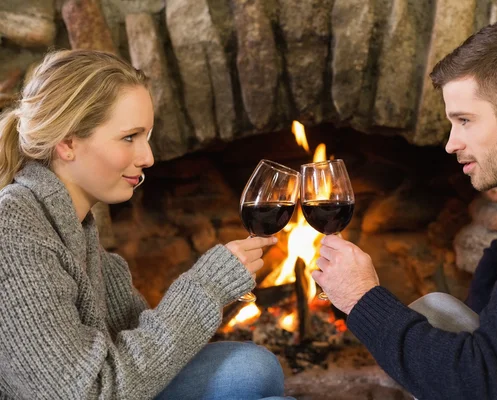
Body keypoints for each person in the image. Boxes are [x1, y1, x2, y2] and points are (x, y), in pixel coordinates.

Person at [312, 20, 497, 400]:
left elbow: (486, 386)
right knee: (439, 309)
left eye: (465, 120)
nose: (450, 144)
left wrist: (361, 299)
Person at [0, 49, 292, 400]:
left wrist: (223, 290)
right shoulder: (13, 230)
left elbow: (145, 354)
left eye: (147, 137)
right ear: (67, 143)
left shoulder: (76, 230)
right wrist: (207, 287)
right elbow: (88, 392)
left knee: (256, 367)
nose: (148, 157)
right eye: (129, 137)